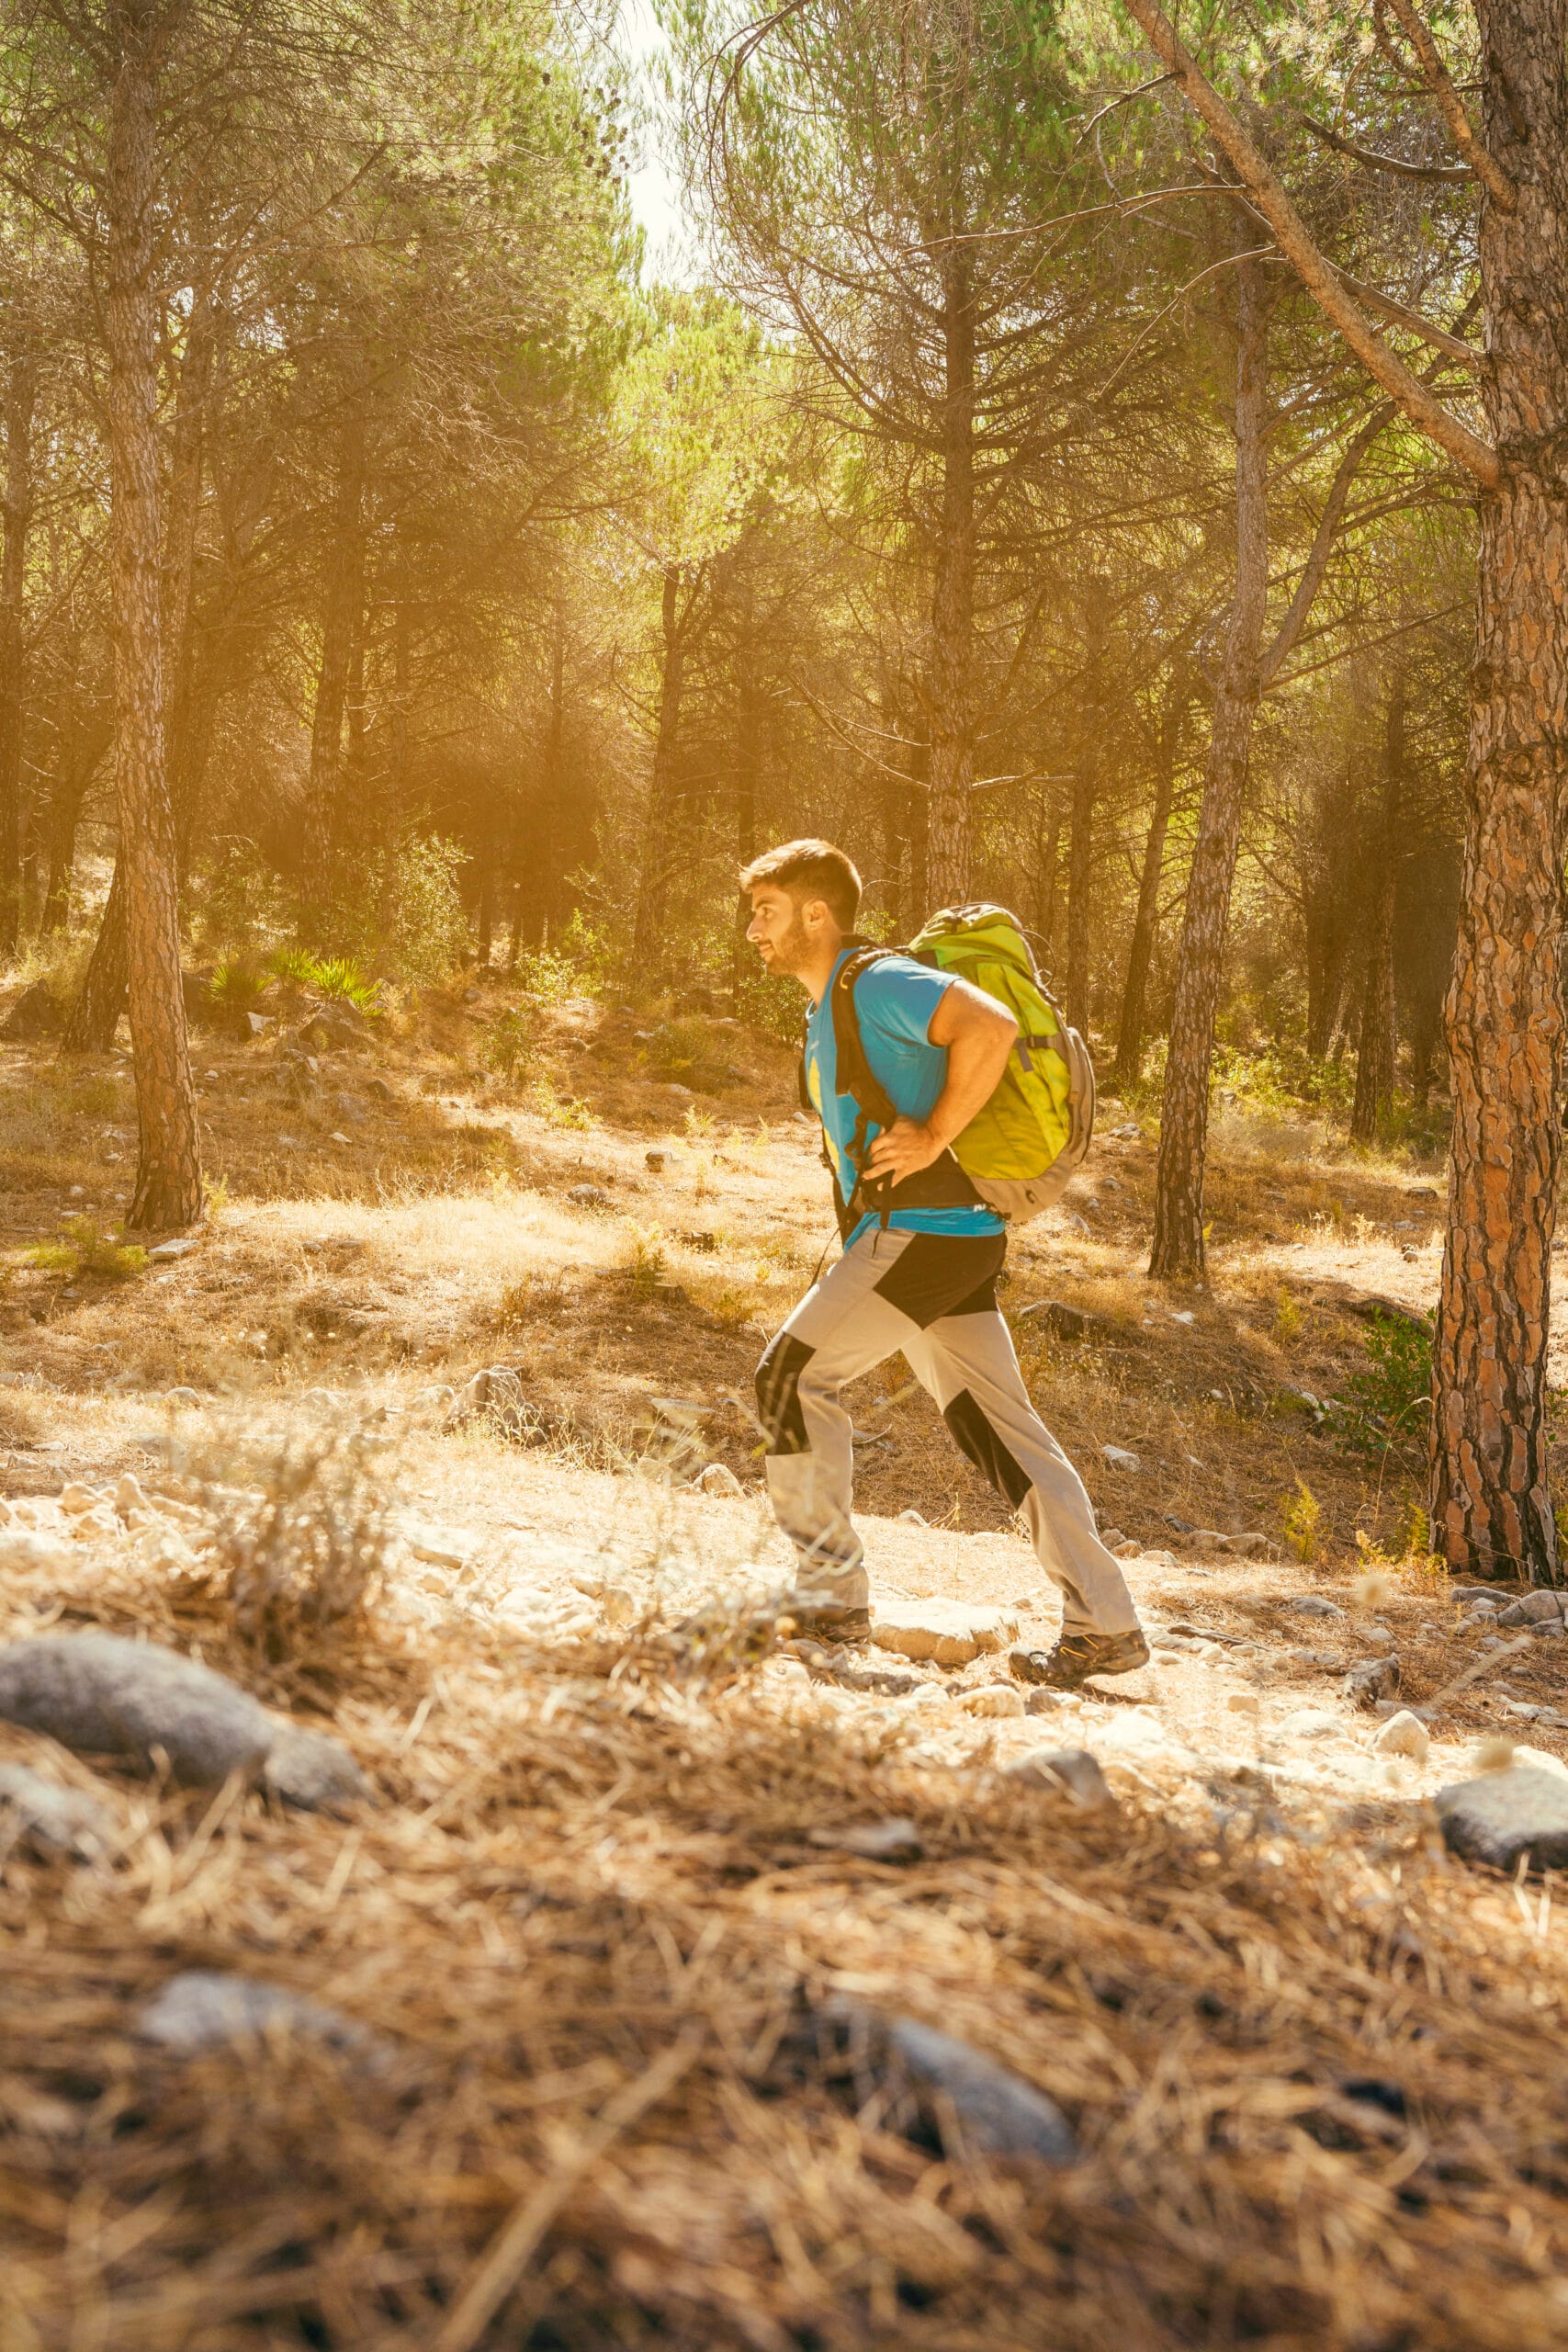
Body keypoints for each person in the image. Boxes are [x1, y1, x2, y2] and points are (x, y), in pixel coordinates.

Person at [744, 837, 1149, 1689]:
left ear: (817, 914)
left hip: (924, 1233)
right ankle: (1105, 1631)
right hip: (947, 1237)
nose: (753, 929)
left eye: (766, 911)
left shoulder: (877, 980)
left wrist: (934, 1135)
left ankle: (828, 1598)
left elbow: (990, 1025)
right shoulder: (827, 1006)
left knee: (789, 1380)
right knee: (999, 1430)